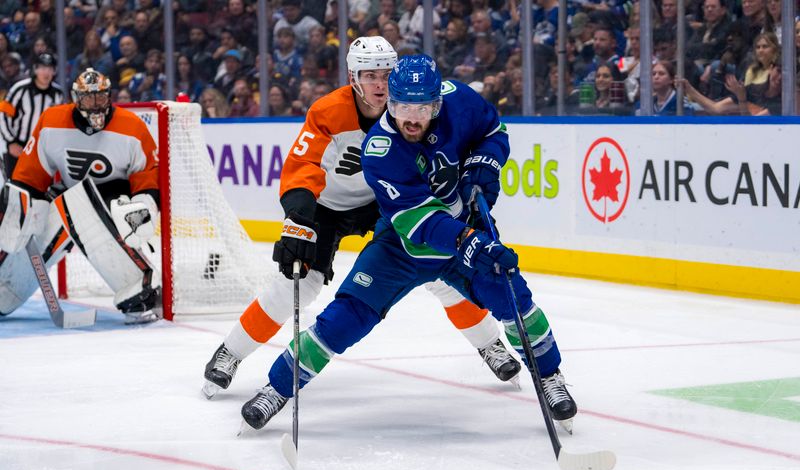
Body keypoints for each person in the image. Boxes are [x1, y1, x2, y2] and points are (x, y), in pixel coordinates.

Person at [237, 54, 576, 433]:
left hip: (465, 228)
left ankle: (549, 376)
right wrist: (469, 241)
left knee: (513, 297)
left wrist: (486, 161)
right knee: (345, 318)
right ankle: (277, 389)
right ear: (390, 103)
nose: (411, 118)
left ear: (438, 102)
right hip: (402, 247)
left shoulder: (461, 101)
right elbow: (420, 224)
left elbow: (494, 132)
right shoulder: (380, 150)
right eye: (400, 107)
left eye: (423, 108)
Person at [203, 40, 519, 399]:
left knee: (438, 269)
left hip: (385, 204)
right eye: (370, 76)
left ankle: (490, 344)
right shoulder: (328, 111)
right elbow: (303, 166)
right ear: (353, 77)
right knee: (299, 284)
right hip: (328, 208)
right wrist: (298, 220)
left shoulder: (413, 112)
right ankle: (231, 351)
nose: (380, 85)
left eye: (386, 74)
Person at [0, 68, 161, 322]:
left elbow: (147, 175)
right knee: (45, 214)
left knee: (77, 202)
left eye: (100, 97)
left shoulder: (132, 127)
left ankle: (139, 291)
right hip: (71, 196)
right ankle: (4, 293)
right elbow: (31, 176)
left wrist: (144, 206)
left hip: (115, 202)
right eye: (88, 98)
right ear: (76, 98)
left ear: (109, 97)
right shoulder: (52, 122)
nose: (95, 104)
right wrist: (20, 207)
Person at [1, 53, 62, 181]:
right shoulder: (19, 89)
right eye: (42, 68)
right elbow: (3, 115)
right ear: (35, 69)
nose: (46, 73)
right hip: (18, 147)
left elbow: (60, 124)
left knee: (41, 191)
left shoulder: (58, 94)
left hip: (42, 152)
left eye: (50, 69)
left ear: (54, 71)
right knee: (14, 188)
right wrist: (11, 142)